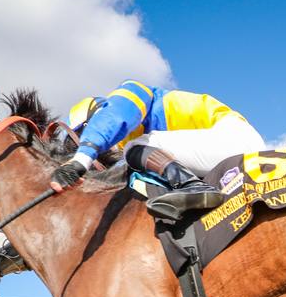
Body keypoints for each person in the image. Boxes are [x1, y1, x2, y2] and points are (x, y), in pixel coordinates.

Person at [49, 80, 265, 219]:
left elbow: (115, 117)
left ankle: (193, 187)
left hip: (234, 140)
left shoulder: (130, 93)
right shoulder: (148, 145)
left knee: (135, 148)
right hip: (219, 153)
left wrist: (82, 158)